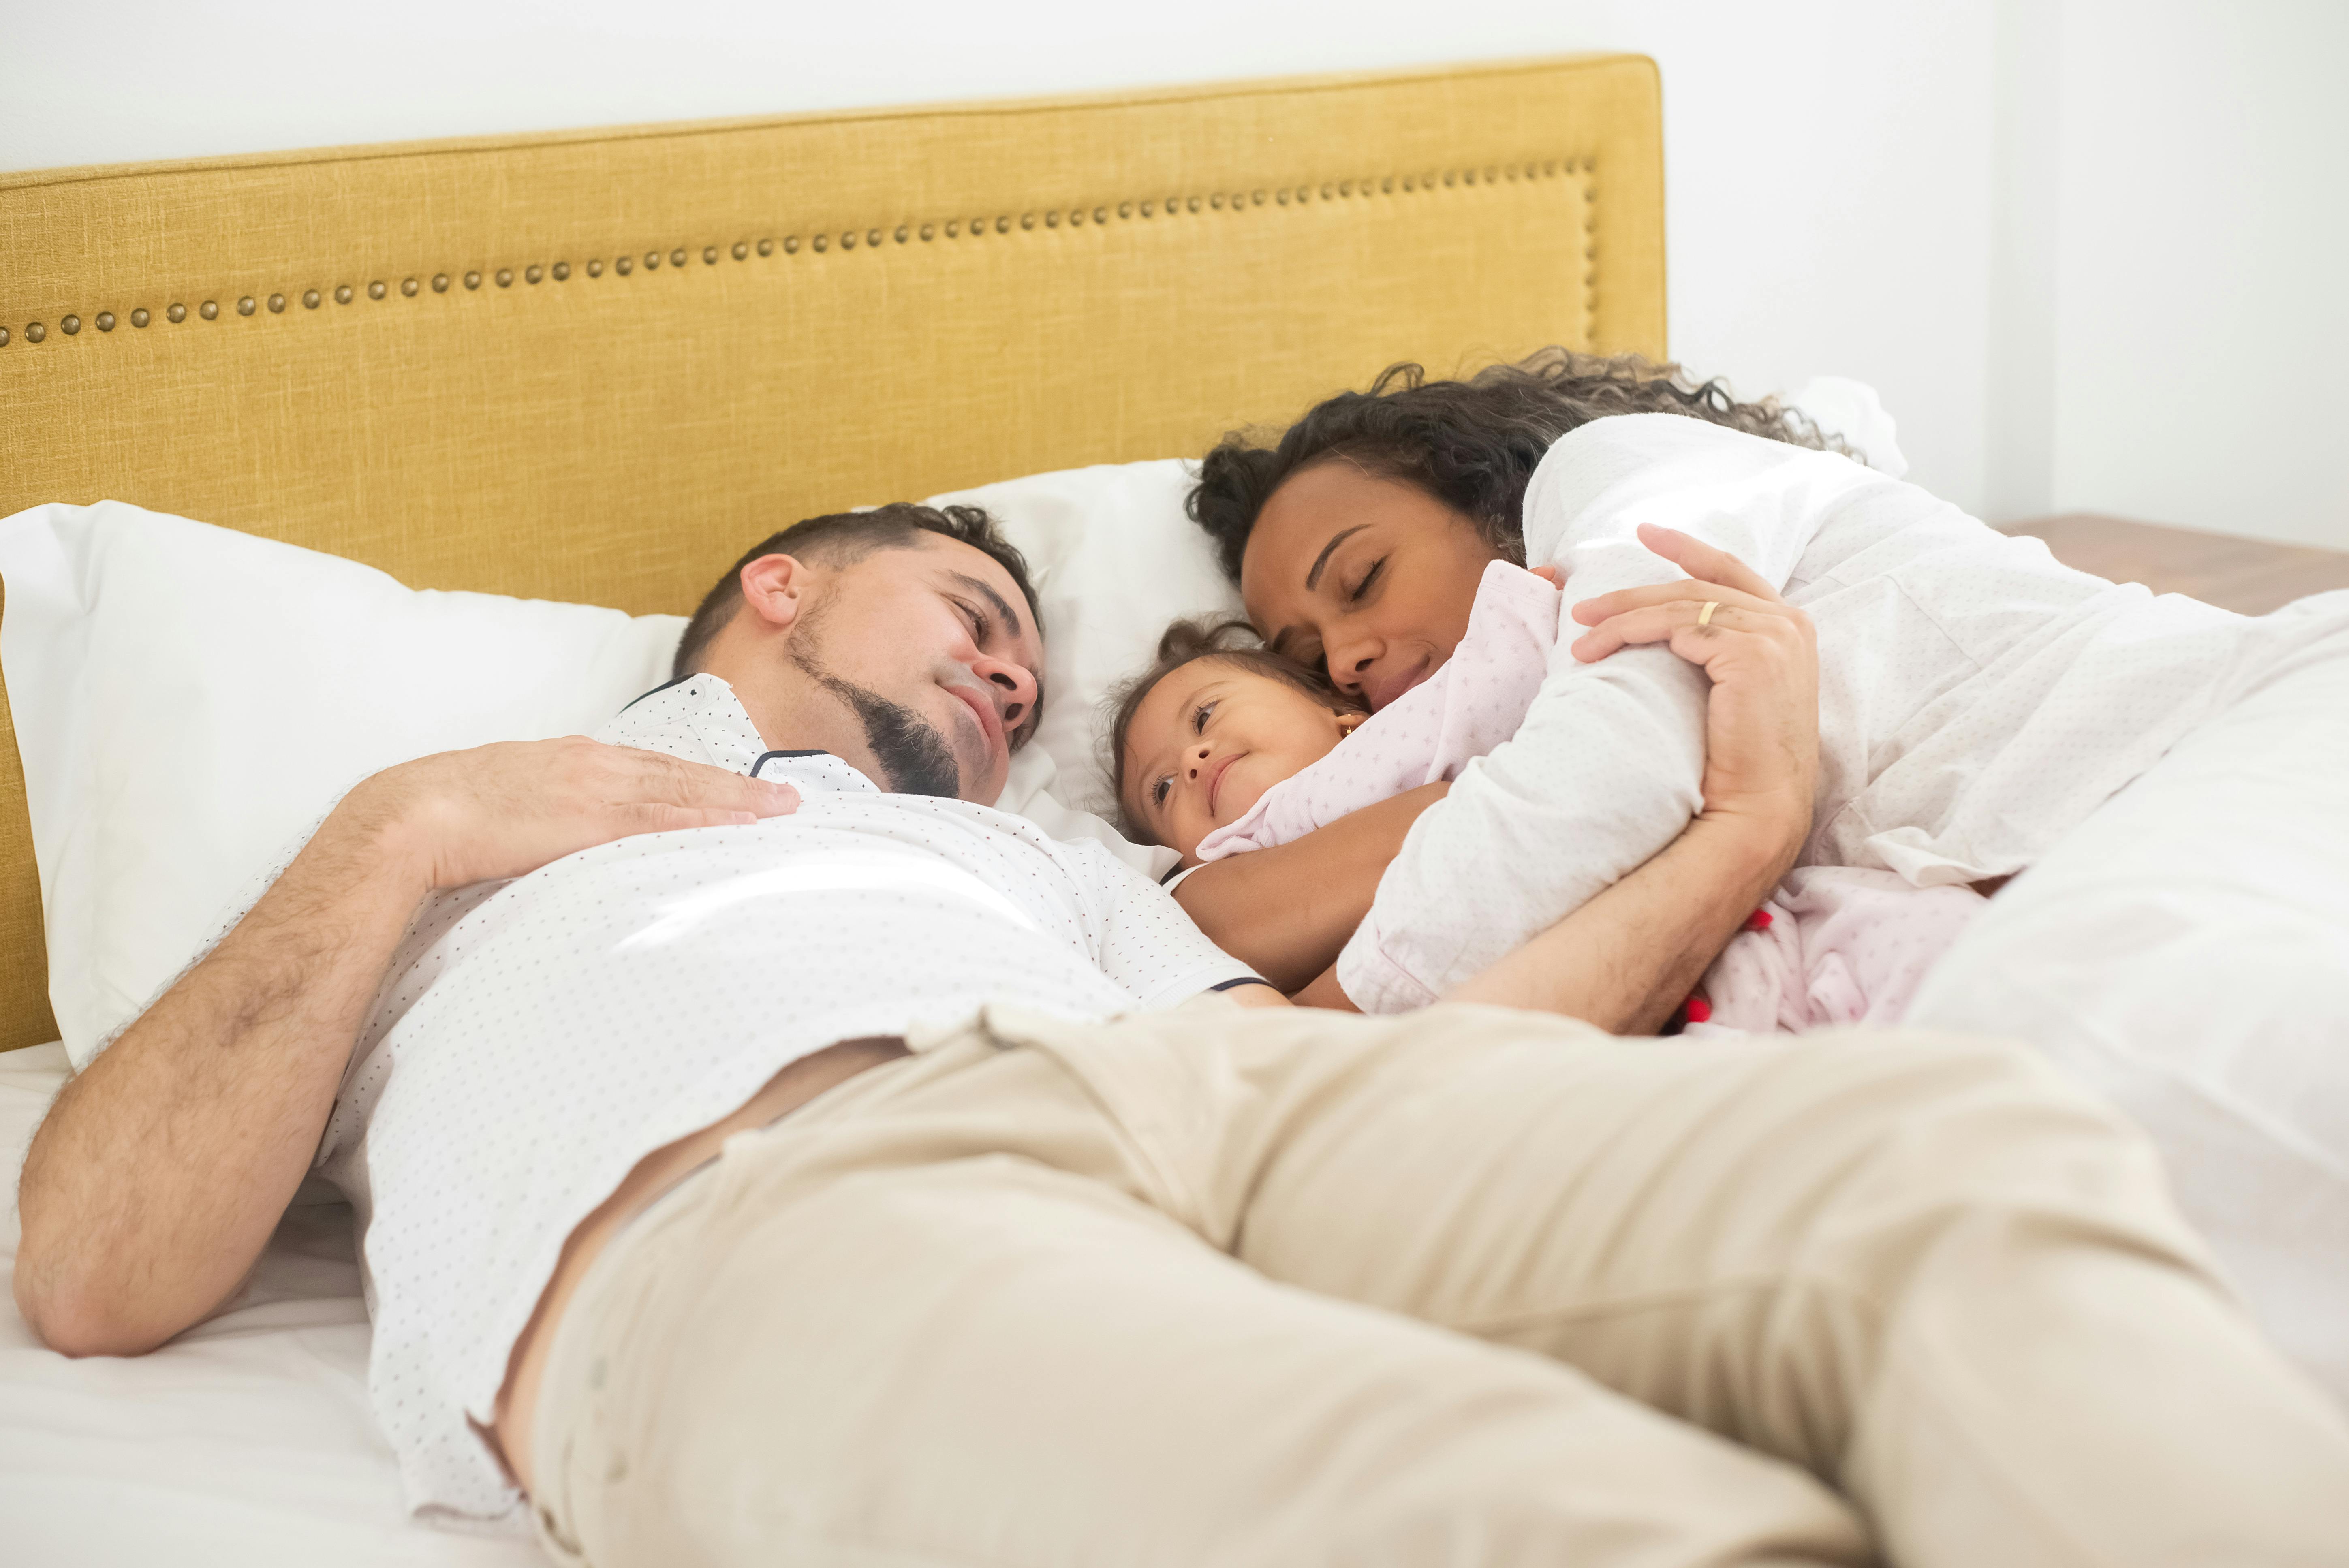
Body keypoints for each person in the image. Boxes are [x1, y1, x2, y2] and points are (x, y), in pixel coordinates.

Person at [16, 502, 2349, 1567]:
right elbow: (95, 1274)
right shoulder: (453, 848)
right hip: (768, 1203)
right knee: (1519, 1510)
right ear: (780, 582)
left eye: (1036, 655)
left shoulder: (1060, 865)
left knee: (1946, 1173)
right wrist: (401, 823)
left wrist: (1744, 813)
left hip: (1218, 1083)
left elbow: (1415, 1045)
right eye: (974, 610)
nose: (1022, 675)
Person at [1183, 347, 2349, 1393]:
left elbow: (1610, 776)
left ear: (1482, 484)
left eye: (1360, 578)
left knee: (2055, 1052)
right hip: (2149, 832)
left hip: (2253, 727)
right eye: (1307, 658)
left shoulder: (1612, 475)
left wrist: (1295, 1046)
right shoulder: (1496, 732)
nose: (1345, 652)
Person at [1112, 559, 1986, 1031]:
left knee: (1948, 966)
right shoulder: (1212, 888)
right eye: (1161, 788)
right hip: (1631, 999)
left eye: (1208, 715)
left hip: (1754, 925)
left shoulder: (1410, 735)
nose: (1191, 762)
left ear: (1342, 716)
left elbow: (1504, 678)